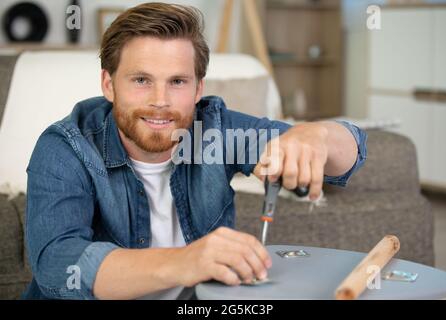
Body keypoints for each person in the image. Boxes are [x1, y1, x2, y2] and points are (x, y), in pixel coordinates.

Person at [22, 2, 367, 300]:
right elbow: (59, 266)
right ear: (109, 85)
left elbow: (349, 154)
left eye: (177, 81)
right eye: (141, 80)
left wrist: (317, 135)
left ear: (198, 87)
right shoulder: (65, 148)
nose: (160, 101)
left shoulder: (213, 129)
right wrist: (186, 261)